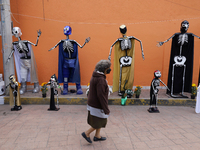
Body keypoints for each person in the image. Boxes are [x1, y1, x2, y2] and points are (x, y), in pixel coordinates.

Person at [82, 60, 111, 143]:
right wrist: (106, 109)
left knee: (99, 119)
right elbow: (101, 96)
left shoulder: (95, 75)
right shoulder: (101, 80)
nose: (109, 69)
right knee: (101, 121)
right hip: (97, 104)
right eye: (108, 68)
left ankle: (97, 136)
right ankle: (86, 133)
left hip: (92, 102)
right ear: (105, 69)